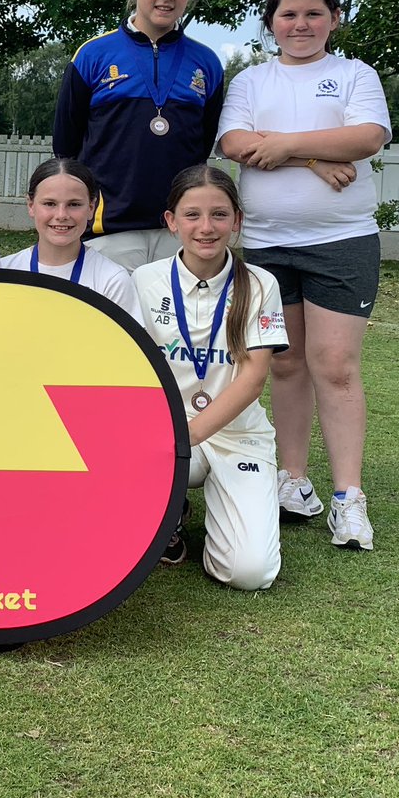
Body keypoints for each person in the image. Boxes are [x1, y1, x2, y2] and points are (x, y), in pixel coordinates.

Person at [217, 0, 391, 551]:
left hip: (341, 241)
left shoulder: (354, 74)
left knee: (335, 366)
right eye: (288, 14)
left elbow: (366, 138)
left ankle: (348, 498)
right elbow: (235, 144)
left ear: (334, 19)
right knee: (286, 365)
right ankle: (293, 481)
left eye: (313, 13)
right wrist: (315, 158)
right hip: (266, 243)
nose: (300, 24)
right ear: (271, 23)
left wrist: (284, 145)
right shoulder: (249, 82)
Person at [132, 166, 287, 589]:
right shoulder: (144, 281)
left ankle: (216, 504)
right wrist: (165, 439)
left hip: (236, 435)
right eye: (192, 215)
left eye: (219, 215)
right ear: (171, 222)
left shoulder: (260, 283)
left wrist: (188, 436)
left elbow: (254, 379)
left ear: (237, 221)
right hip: (164, 432)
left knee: (248, 574)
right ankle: (172, 508)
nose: (206, 227)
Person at [53, 0, 224, 272]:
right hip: (109, 228)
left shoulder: (206, 63)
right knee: (109, 324)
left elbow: (202, 144)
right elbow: (66, 145)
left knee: (173, 324)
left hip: (179, 229)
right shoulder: (93, 54)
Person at [0, 157, 142, 323]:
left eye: (74, 204)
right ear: (31, 205)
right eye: (49, 203)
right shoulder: (4, 271)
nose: (61, 215)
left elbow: (124, 346)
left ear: (91, 208)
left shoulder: (111, 280)